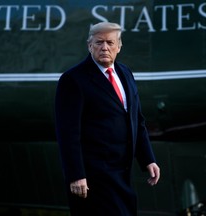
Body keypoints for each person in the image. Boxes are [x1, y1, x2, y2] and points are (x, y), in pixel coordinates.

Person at [54, 22, 160, 216]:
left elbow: (137, 120)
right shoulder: (73, 80)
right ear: (89, 45)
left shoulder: (126, 73)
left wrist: (148, 159)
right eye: (99, 42)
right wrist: (76, 175)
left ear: (119, 46)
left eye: (110, 43)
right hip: (93, 179)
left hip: (123, 174)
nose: (104, 47)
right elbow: (67, 134)